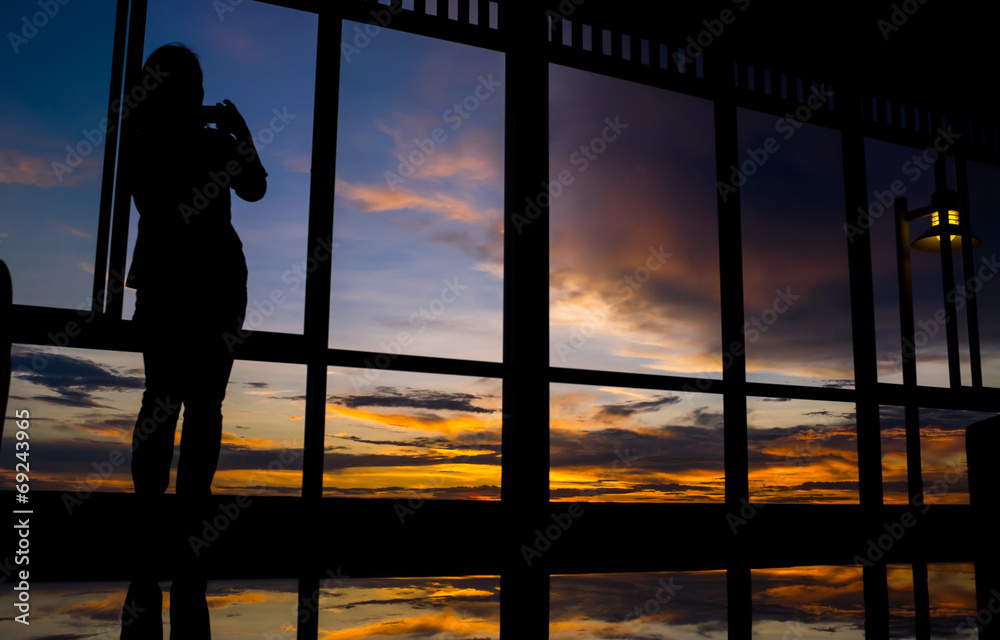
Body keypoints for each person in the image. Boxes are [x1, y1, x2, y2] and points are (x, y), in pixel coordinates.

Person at [127, 43, 267, 499]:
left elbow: (253, 189)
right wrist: (239, 134)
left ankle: (159, 527)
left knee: (167, 401)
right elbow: (255, 188)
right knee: (197, 405)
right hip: (211, 283)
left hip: (182, 283)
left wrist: (234, 135)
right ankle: (186, 528)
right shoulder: (169, 140)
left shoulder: (145, 140)